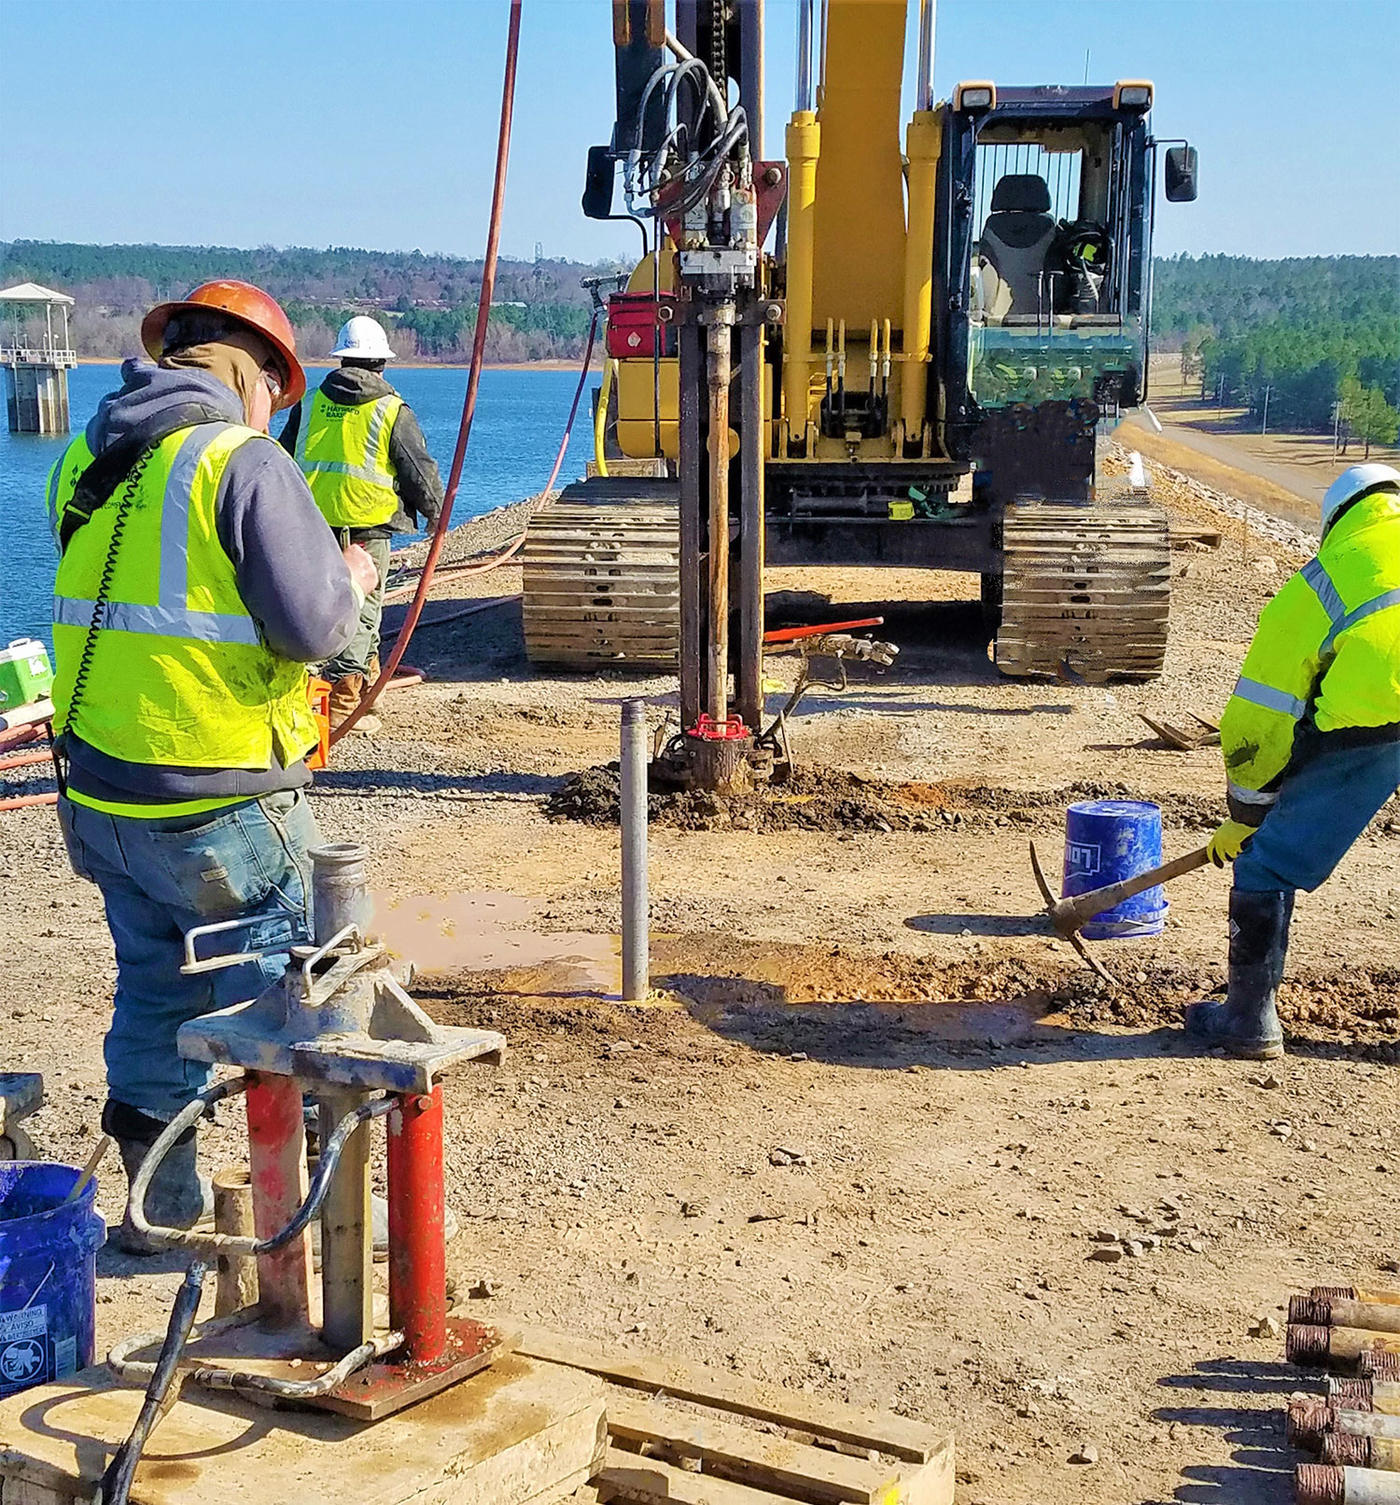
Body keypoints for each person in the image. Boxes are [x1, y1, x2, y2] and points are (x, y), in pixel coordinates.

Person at [47, 280, 378, 1252]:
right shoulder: (239, 459)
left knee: (159, 987)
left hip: (103, 797)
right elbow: (315, 628)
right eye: (277, 389)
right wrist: (352, 581)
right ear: (257, 374)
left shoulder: (88, 455)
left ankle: (158, 1220)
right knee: (310, 989)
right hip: (220, 802)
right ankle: (318, 1224)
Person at [1187, 462, 1400, 1059]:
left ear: (1336, 520)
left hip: (1377, 719)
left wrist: (1245, 815)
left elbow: (1259, 718)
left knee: (1267, 865)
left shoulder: (1325, 578)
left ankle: (1248, 1021)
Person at [279, 315, 444, 733]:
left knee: (313, 609)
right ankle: (344, 705)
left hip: (311, 531)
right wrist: (436, 513)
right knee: (361, 613)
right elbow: (418, 471)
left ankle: (356, 692)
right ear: (380, 363)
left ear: (341, 360)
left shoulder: (311, 402)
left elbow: (279, 458)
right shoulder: (391, 410)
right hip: (367, 533)